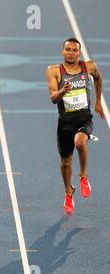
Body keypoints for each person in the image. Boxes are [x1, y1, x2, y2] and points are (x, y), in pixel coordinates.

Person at [46, 38, 105, 215]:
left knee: (80, 143)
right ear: (62, 52)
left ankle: (83, 176)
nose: (71, 53)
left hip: (84, 119)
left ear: (79, 52)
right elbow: (52, 98)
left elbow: (98, 78)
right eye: (68, 49)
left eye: (74, 50)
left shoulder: (89, 67)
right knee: (65, 163)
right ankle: (68, 192)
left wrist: (98, 101)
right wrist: (63, 91)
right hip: (65, 122)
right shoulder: (54, 71)